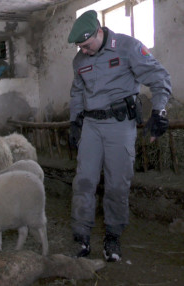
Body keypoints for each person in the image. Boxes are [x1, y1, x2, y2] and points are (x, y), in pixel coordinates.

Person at [67, 10, 171, 262]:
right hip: (91, 124)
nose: (85, 51)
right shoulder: (80, 60)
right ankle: (81, 235)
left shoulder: (127, 47)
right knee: (84, 181)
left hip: (119, 124)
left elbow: (159, 77)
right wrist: (75, 122)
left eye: (87, 45)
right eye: (80, 47)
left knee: (117, 184)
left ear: (98, 31)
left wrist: (159, 110)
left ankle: (112, 236)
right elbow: (77, 92)